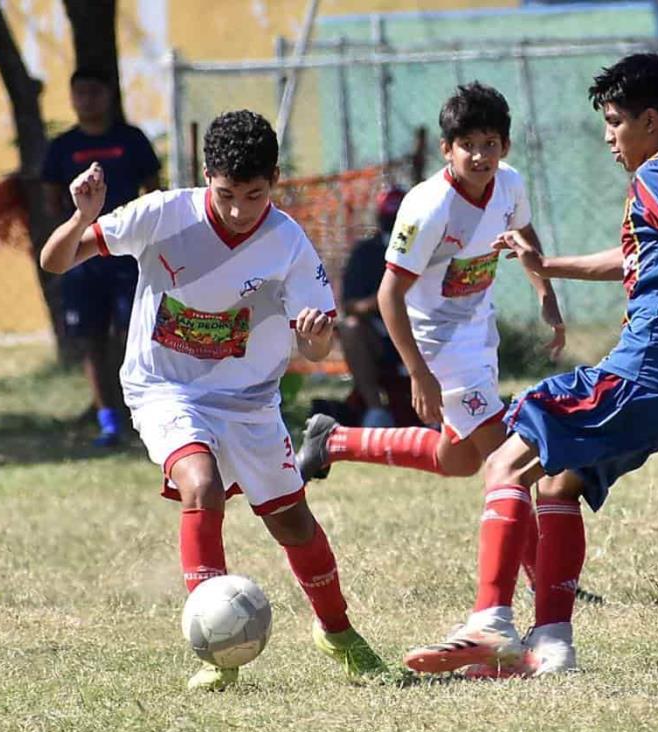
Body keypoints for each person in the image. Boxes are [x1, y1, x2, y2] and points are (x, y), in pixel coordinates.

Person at [402, 53, 658, 678]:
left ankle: (490, 623)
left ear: (650, 122)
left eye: (614, 122)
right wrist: (547, 266)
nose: (608, 138)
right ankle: (551, 649)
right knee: (558, 483)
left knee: (504, 458)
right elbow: (631, 260)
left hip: (640, 374)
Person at [39, 110, 386, 691]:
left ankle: (339, 632)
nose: (237, 210)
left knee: (293, 523)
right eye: (225, 194)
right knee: (198, 483)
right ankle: (214, 649)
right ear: (206, 177)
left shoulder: (288, 244)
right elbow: (54, 261)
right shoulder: (162, 214)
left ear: (274, 179)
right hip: (163, 387)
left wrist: (314, 334)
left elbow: (318, 343)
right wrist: (82, 218)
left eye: (254, 195)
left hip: (249, 400)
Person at [295, 82, 564, 507]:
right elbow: (388, 296)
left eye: (489, 144)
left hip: (478, 332)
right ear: (446, 149)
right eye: (467, 145)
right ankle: (541, 574)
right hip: (439, 346)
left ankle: (336, 440)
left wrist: (546, 294)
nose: (479, 156)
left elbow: (525, 234)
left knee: (457, 459)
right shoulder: (429, 207)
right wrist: (419, 373)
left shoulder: (509, 184)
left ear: (505, 145)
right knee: (507, 460)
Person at [41, 68, 161, 447]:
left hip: (128, 257)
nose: (88, 100)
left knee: (134, 334)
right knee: (92, 339)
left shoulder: (131, 139)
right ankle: (107, 420)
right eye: (80, 93)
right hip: (84, 259)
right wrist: (76, 229)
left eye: (95, 91)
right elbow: (51, 198)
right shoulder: (63, 146)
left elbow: (153, 189)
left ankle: (139, 413)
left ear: (109, 95)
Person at [334, 185, 415, 428]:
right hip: (380, 334)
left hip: (421, 329)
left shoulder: (428, 247)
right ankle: (375, 411)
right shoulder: (366, 252)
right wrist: (386, 299)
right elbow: (350, 306)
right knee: (350, 328)